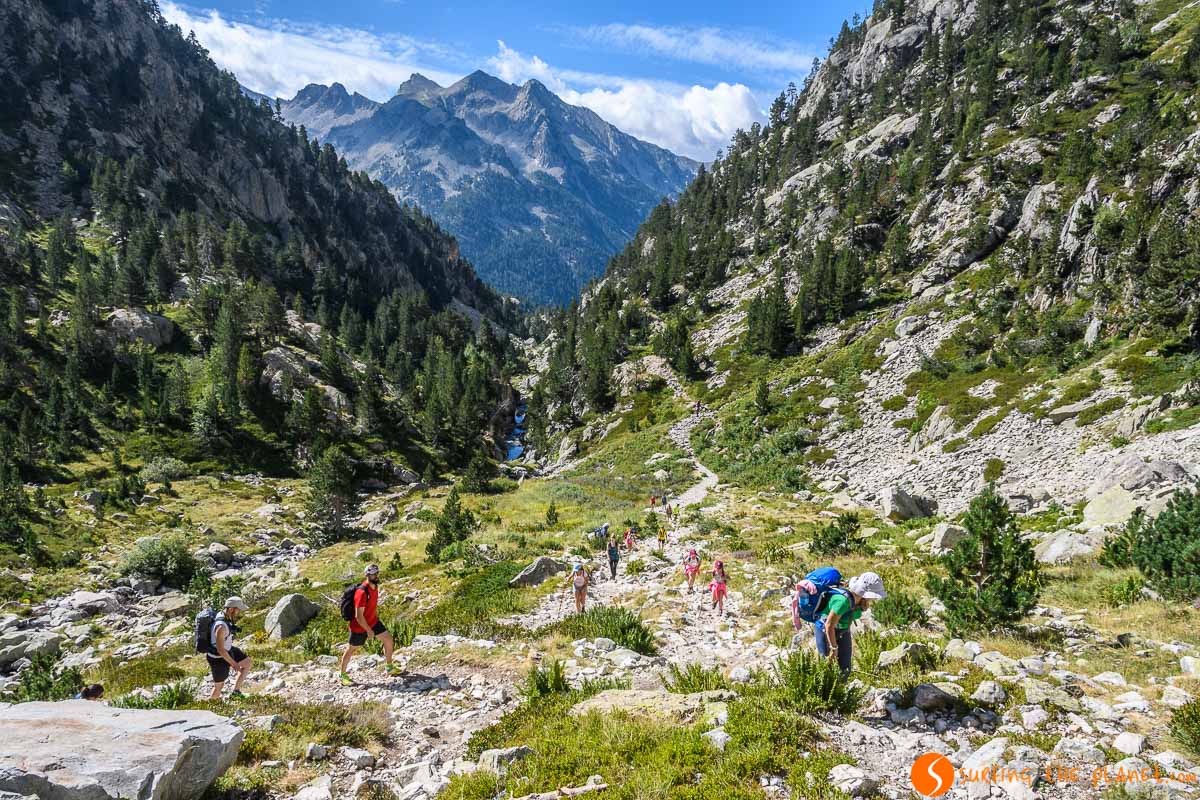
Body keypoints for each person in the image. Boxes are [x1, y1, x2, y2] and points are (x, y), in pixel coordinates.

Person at [340, 564, 402, 686]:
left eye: (377, 573)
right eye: (373, 574)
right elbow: (358, 616)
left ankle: (389, 667)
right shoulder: (362, 592)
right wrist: (368, 630)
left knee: (388, 639)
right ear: (367, 575)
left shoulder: (374, 587)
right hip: (360, 625)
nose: (376, 576)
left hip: (373, 621)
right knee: (352, 649)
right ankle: (343, 675)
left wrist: (374, 621)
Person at [815, 572, 886, 676]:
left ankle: (840, 690)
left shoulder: (859, 601)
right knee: (826, 667)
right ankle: (822, 691)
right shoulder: (842, 601)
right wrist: (834, 648)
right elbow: (829, 625)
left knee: (845, 669)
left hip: (843, 631)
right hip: (826, 631)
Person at [208, 596, 252, 700]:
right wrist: (234, 664)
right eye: (238, 609)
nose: (239, 612)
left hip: (227, 649)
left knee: (247, 662)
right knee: (219, 686)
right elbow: (220, 649)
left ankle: (235, 692)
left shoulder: (224, 615)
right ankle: (209, 708)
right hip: (218, 658)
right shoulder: (221, 626)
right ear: (231, 609)